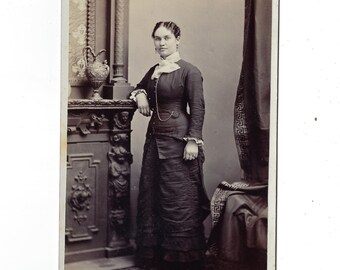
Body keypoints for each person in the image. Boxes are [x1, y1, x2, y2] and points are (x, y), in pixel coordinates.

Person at [130, 21, 210, 270]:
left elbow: (197, 108)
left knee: (179, 198)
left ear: (177, 39)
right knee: (153, 196)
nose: (161, 43)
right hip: (154, 141)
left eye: (166, 38)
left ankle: (181, 259)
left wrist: (193, 141)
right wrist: (140, 94)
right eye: (157, 38)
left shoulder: (189, 71)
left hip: (180, 142)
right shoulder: (155, 70)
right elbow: (140, 87)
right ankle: (156, 256)